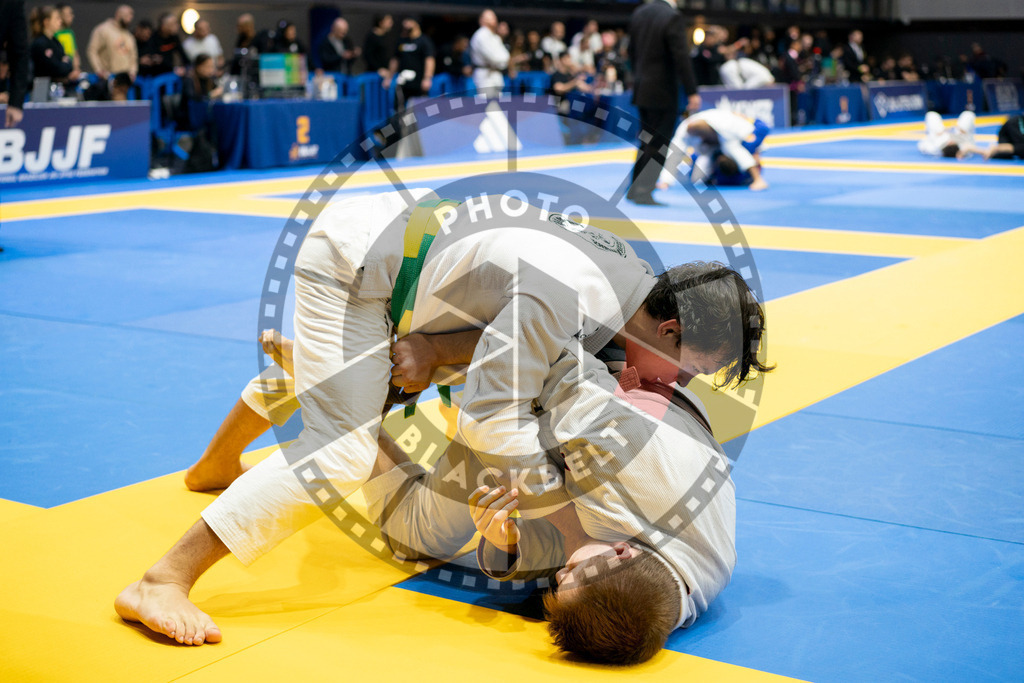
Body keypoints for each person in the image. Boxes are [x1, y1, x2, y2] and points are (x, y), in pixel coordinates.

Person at [113, 189, 768, 646]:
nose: (681, 385)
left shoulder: (627, 298)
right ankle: (162, 578)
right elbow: (487, 413)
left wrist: (514, 529)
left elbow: (514, 356)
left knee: (396, 399)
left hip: (430, 286)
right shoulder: (588, 314)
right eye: (689, 369)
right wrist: (541, 498)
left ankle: (239, 446)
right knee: (340, 448)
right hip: (357, 270)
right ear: (671, 326)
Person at [366, 340, 738, 664]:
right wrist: (436, 353)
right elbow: (538, 358)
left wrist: (507, 545)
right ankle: (349, 413)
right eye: (569, 574)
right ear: (622, 551)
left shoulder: (673, 592)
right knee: (417, 535)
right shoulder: (623, 470)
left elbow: (572, 555)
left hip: (643, 404)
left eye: (560, 581)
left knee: (570, 537)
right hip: (602, 367)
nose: (560, 575)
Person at [626, 0, 700, 206]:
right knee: (658, 143)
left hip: (642, 87)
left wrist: (638, 76)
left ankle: (634, 189)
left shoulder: (639, 13)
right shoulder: (672, 16)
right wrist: (692, 91)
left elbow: (631, 51)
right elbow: (681, 56)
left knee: (646, 140)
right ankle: (643, 191)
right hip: (662, 90)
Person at [659, 108, 770, 191]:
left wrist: (757, 154)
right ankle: (714, 176)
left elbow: (745, 148)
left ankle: (758, 179)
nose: (701, 138)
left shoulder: (727, 125)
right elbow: (673, 156)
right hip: (711, 145)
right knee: (697, 178)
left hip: (739, 138)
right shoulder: (683, 131)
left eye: (703, 136)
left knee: (736, 153)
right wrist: (665, 181)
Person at [386, 18, 434, 102]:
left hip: (418, 80)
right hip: (403, 80)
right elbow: (395, 59)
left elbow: (429, 60)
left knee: (418, 107)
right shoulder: (402, 41)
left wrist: (427, 78)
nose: (405, 25)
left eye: (408, 22)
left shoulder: (424, 41)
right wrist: (389, 77)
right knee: (399, 106)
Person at [29, 5, 77, 85]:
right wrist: (64, 63)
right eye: (57, 18)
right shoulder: (40, 44)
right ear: (46, 22)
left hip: (58, 87)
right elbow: (55, 69)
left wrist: (65, 63)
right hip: (43, 88)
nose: (60, 21)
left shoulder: (55, 42)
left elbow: (68, 62)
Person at [86, 4, 136, 80]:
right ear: (118, 14)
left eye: (130, 17)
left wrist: (132, 72)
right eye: (126, 16)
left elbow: (133, 57)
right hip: (107, 77)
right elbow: (92, 50)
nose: (129, 20)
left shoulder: (129, 36)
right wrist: (99, 69)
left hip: (125, 79)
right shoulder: (103, 30)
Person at [469, 9, 508, 98]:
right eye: (490, 18)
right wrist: (502, 60)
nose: (494, 20)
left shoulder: (495, 36)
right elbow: (493, 57)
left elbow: (506, 56)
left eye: (494, 17)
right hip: (485, 74)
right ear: (482, 20)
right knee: (486, 105)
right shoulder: (481, 35)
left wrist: (503, 61)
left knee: (496, 104)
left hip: (496, 73)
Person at [362, 14, 393, 78]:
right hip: (374, 73)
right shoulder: (371, 37)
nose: (391, 24)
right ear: (381, 23)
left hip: (385, 73)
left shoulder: (386, 36)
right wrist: (378, 69)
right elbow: (367, 55)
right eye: (389, 22)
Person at [53, 3, 78, 73]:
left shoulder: (70, 33)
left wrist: (76, 69)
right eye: (68, 15)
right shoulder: (54, 34)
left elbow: (75, 52)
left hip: (71, 71)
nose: (72, 16)